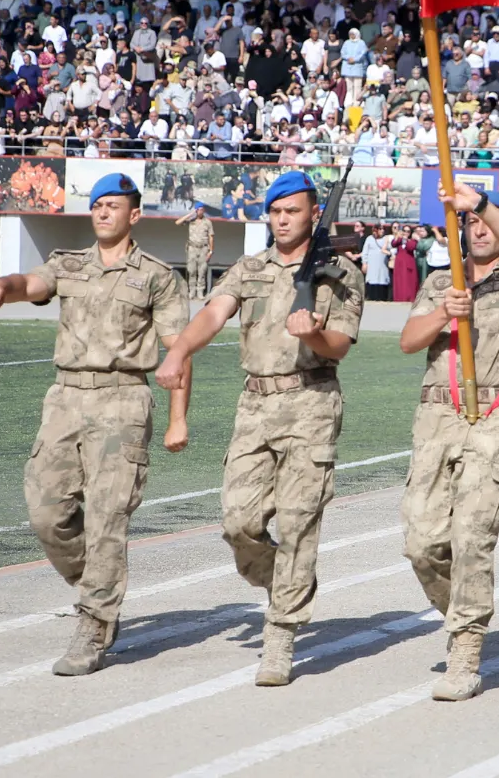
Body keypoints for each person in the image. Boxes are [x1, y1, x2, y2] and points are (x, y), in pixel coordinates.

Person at [153, 171, 365, 687]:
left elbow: (339, 345)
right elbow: (213, 313)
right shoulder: (250, 268)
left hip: (311, 401)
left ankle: (281, 634)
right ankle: (287, 580)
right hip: (255, 405)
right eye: (276, 211)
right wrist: (180, 349)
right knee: (237, 522)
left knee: (297, 522)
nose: (283, 219)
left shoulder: (338, 273)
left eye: (293, 210)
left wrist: (313, 332)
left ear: (314, 213)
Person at [0, 172, 189, 676]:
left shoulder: (157, 276)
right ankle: (98, 585)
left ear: (133, 215)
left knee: (107, 519)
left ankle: (94, 625)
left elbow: (179, 351)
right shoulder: (69, 265)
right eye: (97, 206)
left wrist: (177, 419)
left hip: (124, 398)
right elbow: (32, 284)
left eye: (113, 206)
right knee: (46, 513)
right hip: (65, 398)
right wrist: (4, 286)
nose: (102, 213)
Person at [396, 184, 499, 701]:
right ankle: (462, 609)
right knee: (421, 542)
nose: (480, 229)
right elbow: (408, 340)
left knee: (473, 533)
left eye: (488, 221)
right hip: (437, 414)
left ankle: (465, 645)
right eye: (471, 223)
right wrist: (444, 314)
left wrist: (480, 202)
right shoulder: (442, 280)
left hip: (495, 410)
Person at [175, 202, 214, 300]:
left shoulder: (207, 222)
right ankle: (191, 291)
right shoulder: (191, 220)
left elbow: (211, 237)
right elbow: (177, 223)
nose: (200, 211)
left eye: (201, 209)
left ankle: (200, 291)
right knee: (191, 270)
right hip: (192, 248)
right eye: (198, 210)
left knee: (202, 270)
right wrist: (190, 214)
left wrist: (211, 251)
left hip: (203, 248)